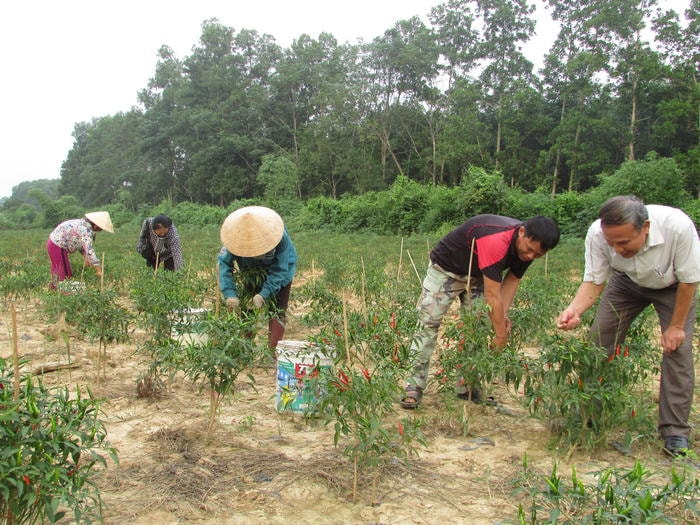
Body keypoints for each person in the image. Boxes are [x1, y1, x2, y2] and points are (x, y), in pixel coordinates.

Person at [557, 195, 699, 457]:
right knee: (599, 342)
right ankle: (588, 413)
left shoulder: (677, 227)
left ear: (645, 227)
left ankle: (675, 431)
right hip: (625, 283)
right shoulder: (597, 234)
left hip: (673, 286)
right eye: (612, 244)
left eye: (623, 242)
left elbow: (689, 280)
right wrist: (574, 310)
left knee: (677, 351)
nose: (618, 249)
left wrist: (676, 326)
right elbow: (594, 280)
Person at [400, 214, 561, 409]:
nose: (530, 257)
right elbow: (493, 295)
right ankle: (414, 385)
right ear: (522, 232)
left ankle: (466, 385)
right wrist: (501, 335)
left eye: (537, 255)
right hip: (445, 269)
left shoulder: (528, 249)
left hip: (479, 276)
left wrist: (503, 316)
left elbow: (512, 280)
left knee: (476, 328)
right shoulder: (496, 239)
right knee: (428, 324)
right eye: (529, 250)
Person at [218, 206, 297, 350]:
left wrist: (264, 294)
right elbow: (224, 263)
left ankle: (273, 352)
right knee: (248, 308)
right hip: (250, 271)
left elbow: (279, 270)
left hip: (283, 271)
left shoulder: (280, 237)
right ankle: (245, 348)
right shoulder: (235, 239)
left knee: (277, 310)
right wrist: (229, 293)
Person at [46, 211, 114, 288]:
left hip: (55, 245)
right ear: (95, 225)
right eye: (101, 227)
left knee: (63, 272)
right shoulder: (85, 231)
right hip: (57, 245)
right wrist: (98, 269)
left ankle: (54, 291)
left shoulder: (84, 225)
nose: (101, 229)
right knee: (63, 274)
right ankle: (60, 294)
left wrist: (86, 257)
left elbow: (80, 244)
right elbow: (90, 251)